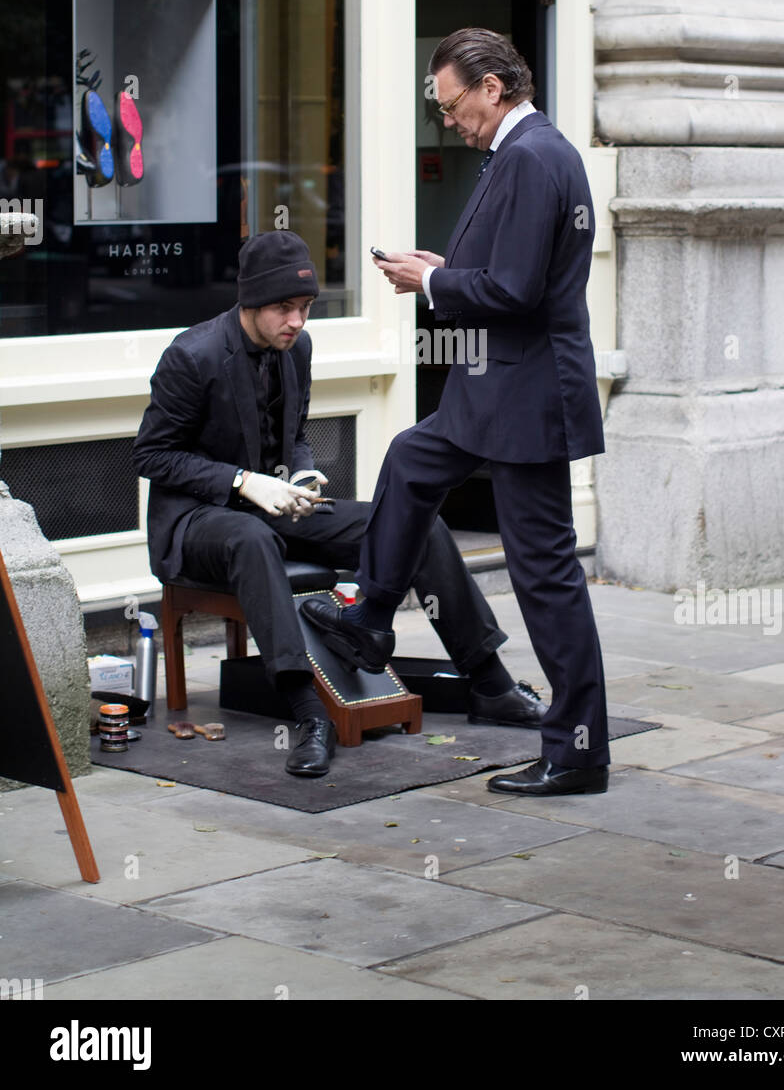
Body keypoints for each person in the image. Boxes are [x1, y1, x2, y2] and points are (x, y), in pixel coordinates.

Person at [300, 29, 610, 797]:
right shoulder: (521, 154)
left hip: (528, 397)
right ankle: (371, 616)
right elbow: (506, 272)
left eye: (452, 106)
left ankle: (576, 752)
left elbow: (516, 291)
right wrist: (445, 271)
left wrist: (434, 285)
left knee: (545, 578)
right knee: (411, 458)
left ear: (494, 87)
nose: (450, 122)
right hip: (496, 389)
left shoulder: (536, 157)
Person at [132, 229, 544, 780]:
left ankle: (489, 682)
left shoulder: (296, 347)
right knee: (251, 539)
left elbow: (294, 430)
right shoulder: (193, 355)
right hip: (197, 523)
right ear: (250, 301)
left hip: (275, 505)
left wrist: (299, 470)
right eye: (283, 308)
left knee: (412, 517)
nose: (296, 322)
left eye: (304, 308)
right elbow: (153, 456)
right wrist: (242, 482)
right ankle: (309, 714)